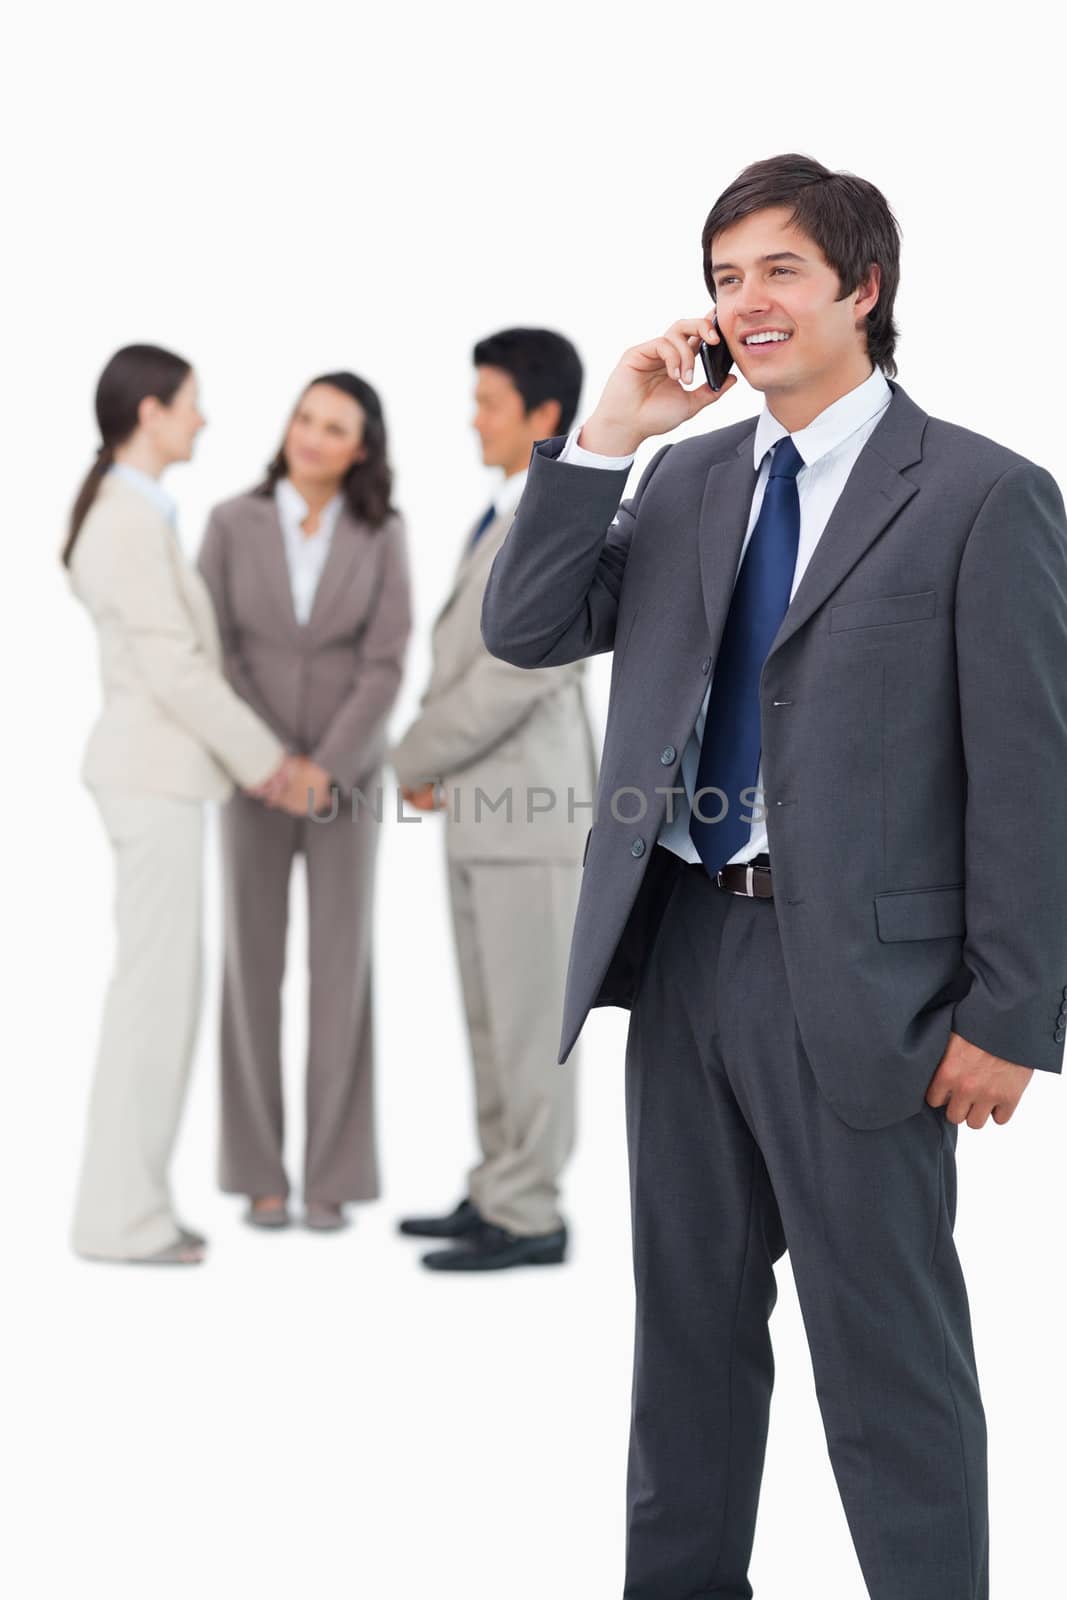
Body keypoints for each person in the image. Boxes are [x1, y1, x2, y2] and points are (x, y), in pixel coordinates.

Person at [481, 153, 1067, 1597]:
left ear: (862, 289)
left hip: (869, 991)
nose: (744, 303)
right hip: (681, 954)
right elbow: (528, 625)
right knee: (681, 1350)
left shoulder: (983, 497)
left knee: (887, 1371)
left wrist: (1010, 1013)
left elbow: (1031, 774)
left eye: (778, 271)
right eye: (723, 277)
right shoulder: (681, 479)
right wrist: (607, 436)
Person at [65, 344, 292, 1266]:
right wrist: (268, 761)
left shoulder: (136, 512)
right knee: (151, 1006)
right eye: (190, 405)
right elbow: (176, 669)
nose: (201, 420)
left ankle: (133, 1206)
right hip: (151, 778)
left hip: (159, 779)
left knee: (159, 1001)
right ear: (150, 412)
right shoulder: (124, 520)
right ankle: (120, 1220)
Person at [391, 328, 597, 1272]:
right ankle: (496, 1187)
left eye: (488, 403)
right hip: (482, 813)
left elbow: (515, 674)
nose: (472, 419)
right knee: (488, 1018)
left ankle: (532, 1214)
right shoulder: (498, 512)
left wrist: (408, 757)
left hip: (532, 820)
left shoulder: (550, 524)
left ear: (542, 415)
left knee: (526, 1026)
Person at [198, 372, 411, 1232]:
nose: (313, 437)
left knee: (340, 969)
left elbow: (386, 661)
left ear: (361, 446)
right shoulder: (230, 523)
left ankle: (333, 1173)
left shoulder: (381, 531)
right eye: (305, 419)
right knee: (250, 966)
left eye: (334, 427)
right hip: (249, 777)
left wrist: (325, 765)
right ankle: (257, 1171)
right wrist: (266, 760)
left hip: (345, 782)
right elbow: (211, 649)